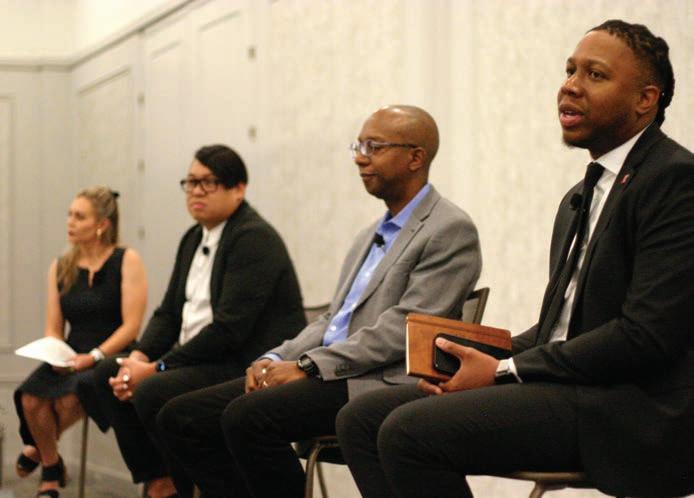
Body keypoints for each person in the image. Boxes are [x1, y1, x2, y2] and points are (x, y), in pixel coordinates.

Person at [335, 20, 694, 498]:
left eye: (595, 75)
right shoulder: (581, 195)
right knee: (361, 418)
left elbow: (645, 336)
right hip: (571, 388)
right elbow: (558, 332)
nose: (570, 86)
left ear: (645, 99)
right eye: (569, 70)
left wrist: (503, 371)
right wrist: (472, 356)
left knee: (409, 432)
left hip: (628, 408)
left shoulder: (674, 180)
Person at [156, 105, 482, 498]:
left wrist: (309, 366)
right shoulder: (369, 235)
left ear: (416, 157)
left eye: (374, 147)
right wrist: (277, 357)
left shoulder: (449, 229)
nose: (360, 158)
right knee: (181, 417)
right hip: (333, 370)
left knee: (247, 418)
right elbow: (332, 319)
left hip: (378, 379)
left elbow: (404, 327)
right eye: (358, 146)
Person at [92, 144, 306, 498]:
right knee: (108, 373)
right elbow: (168, 313)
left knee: (154, 390)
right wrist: (140, 358)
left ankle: (202, 488)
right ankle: (161, 482)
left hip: (243, 362)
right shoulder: (193, 237)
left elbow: (228, 331)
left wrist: (158, 368)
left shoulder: (253, 238)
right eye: (191, 182)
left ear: (238, 189)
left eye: (208, 183)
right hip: (201, 358)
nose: (196, 191)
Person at [14, 187, 148, 498]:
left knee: (68, 400)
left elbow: (131, 326)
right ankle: (51, 462)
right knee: (30, 398)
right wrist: (55, 354)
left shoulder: (126, 260)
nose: (70, 222)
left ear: (102, 224)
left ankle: (44, 465)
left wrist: (95, 355)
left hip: (114, 352)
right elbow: (54, 328)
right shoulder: (61, 266)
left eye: (79, 216)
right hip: (72, 352)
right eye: (69, 214)